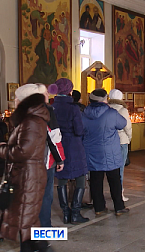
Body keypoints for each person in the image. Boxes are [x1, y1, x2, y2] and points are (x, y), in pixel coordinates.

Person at [0, 84, 53, 251]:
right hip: (27, 174)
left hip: (29, 176)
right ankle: (42, 246)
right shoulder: (31, 118)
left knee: (26, 220)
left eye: (16, 99)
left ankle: (42, 247)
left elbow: (23, 151)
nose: (14, 101)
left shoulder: (32, 121)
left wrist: (2, 149)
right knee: (28, 219)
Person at [82, 89, 129, 216]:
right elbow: (122, 124)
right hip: (110, 152)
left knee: (96, 180)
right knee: (114, 180)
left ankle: (99, 208)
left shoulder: (84, 113)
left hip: (91, 152)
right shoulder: (111, 113)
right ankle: (119, 207)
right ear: (104, 100)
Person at [50, 78, 90, 224]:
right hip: (73, 145)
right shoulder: (73, 108)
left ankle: (65, 213)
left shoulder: (51, 107)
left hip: (57, 144)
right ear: (69, 91)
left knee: (61, 178)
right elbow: (79, 130)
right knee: (80, 177)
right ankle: (75, 213)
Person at [39, 84, 65, 228]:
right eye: (45, 93)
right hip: (45, 160)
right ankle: (44, 230)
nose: (48, 94)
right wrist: (60, 158)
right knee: (45, 197)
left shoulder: (23, 111)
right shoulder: (47, 110)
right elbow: (54, 137)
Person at [108, 89, 133, 202]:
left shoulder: (106, 108)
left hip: (108, 141)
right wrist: (129, 138)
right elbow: (127, 126)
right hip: (121, 141)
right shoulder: (122, 110)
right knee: (120, 168)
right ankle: (119, 193)